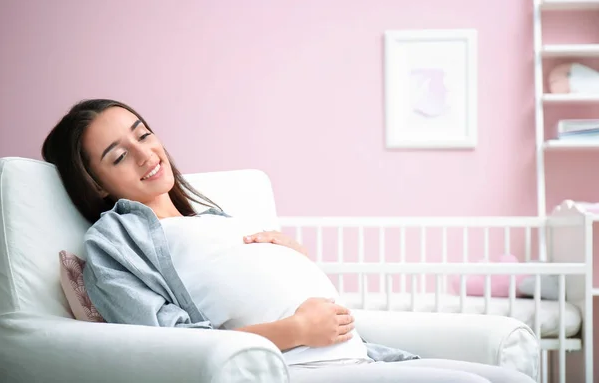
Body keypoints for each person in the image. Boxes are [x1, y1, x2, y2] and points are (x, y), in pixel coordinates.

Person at [42, 99, 535, 383]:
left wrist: (295, 263)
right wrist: (296, 329)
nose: (145, 153)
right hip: (297, 367)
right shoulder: (116, 242)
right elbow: (168, 346)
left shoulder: (213, 218)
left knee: (511, 379)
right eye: (118, 155)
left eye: (143, 134)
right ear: (97, 184)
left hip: (354, 355)